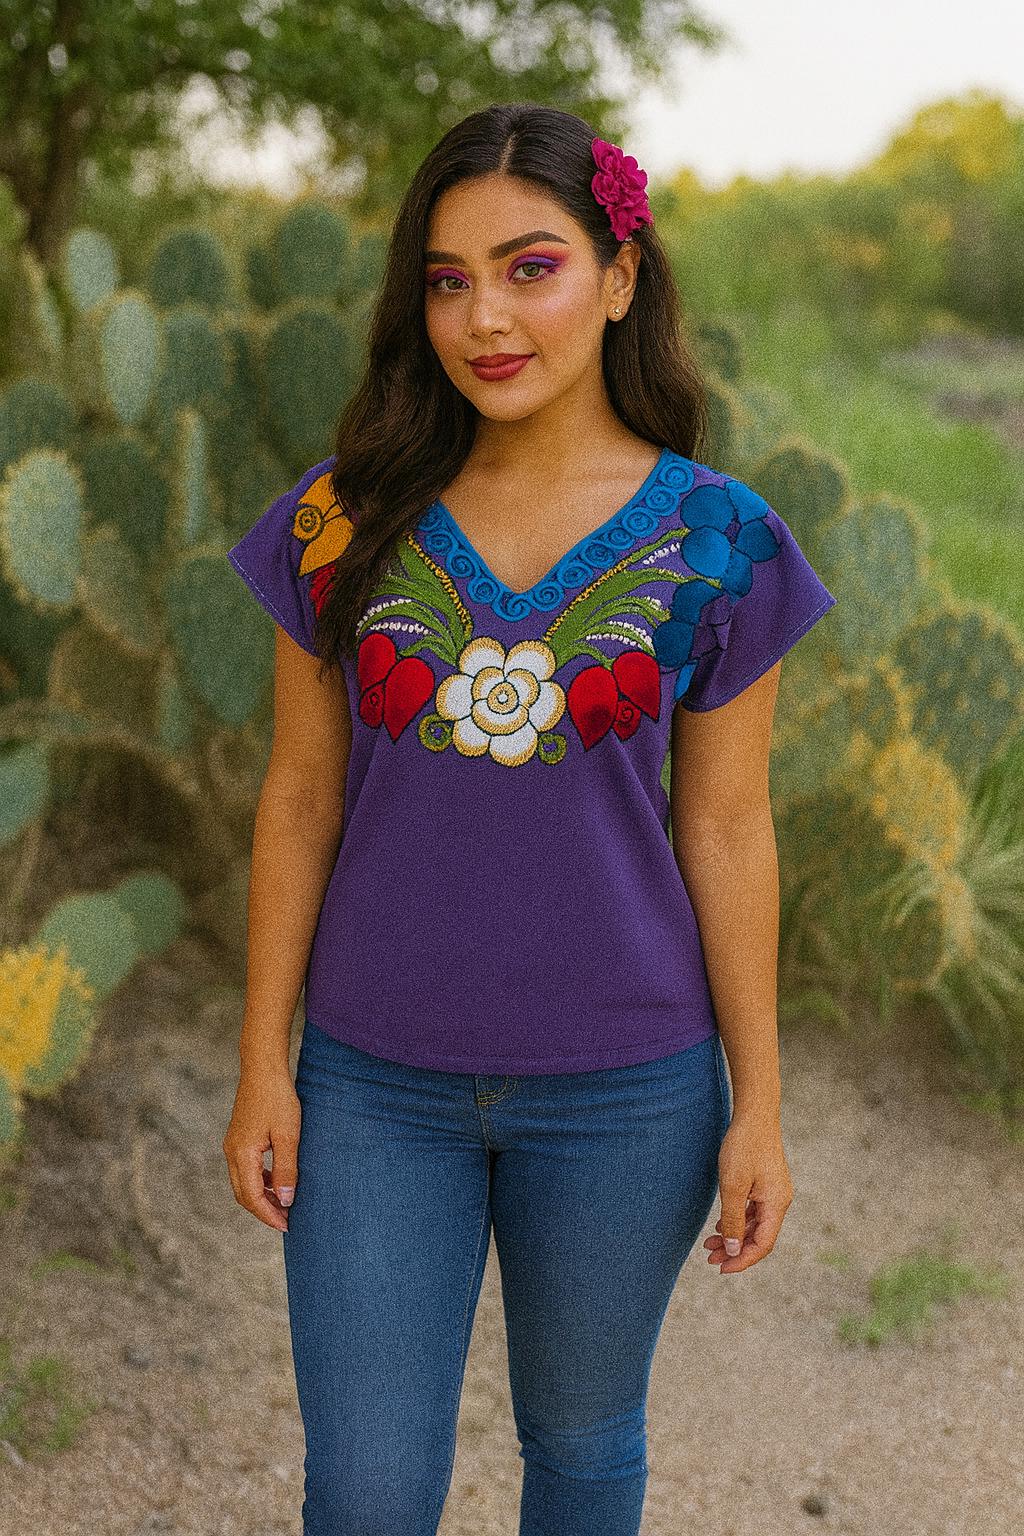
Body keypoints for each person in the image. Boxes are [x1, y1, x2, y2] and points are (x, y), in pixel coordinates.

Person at [222, 101, 837, 1536]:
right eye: (447, 280)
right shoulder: (340, 519)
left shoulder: (720, 541)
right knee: (366, 1495)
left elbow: (730, 831)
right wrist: (264, 1061)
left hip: (631, 1092)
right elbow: (300, 796)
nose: (484, 317)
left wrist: (761, 1104)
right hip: (373, 1089)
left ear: (620, 278)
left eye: (529, 267)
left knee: (581, 1447)